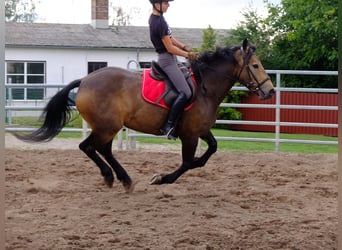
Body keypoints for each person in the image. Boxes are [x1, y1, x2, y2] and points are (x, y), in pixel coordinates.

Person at [149, 0, 197, 140]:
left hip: (171, 59)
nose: (168, 5)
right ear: (157, 4)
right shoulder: (159, 22)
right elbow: (169, 48)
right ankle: (168, 125)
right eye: (166, 3)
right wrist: (188, 55)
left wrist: (184, 46)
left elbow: (169, 38)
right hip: (167, 61)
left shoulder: (158, 18)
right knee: (186, 92)